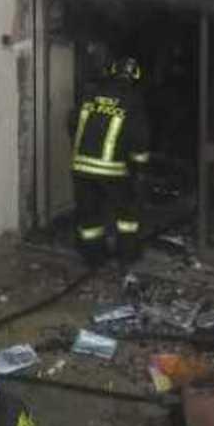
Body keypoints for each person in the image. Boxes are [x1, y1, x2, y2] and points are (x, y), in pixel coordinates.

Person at [68, 51, 150, 267]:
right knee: (127, 214)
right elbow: (139, 136)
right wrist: (139, 168)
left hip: (81, 167)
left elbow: (72, 122)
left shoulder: (91, 94)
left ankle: (93, 257)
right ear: (135, 77)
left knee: (89, 215)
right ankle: (127, 255)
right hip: (112, 171)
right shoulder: (132, 101)